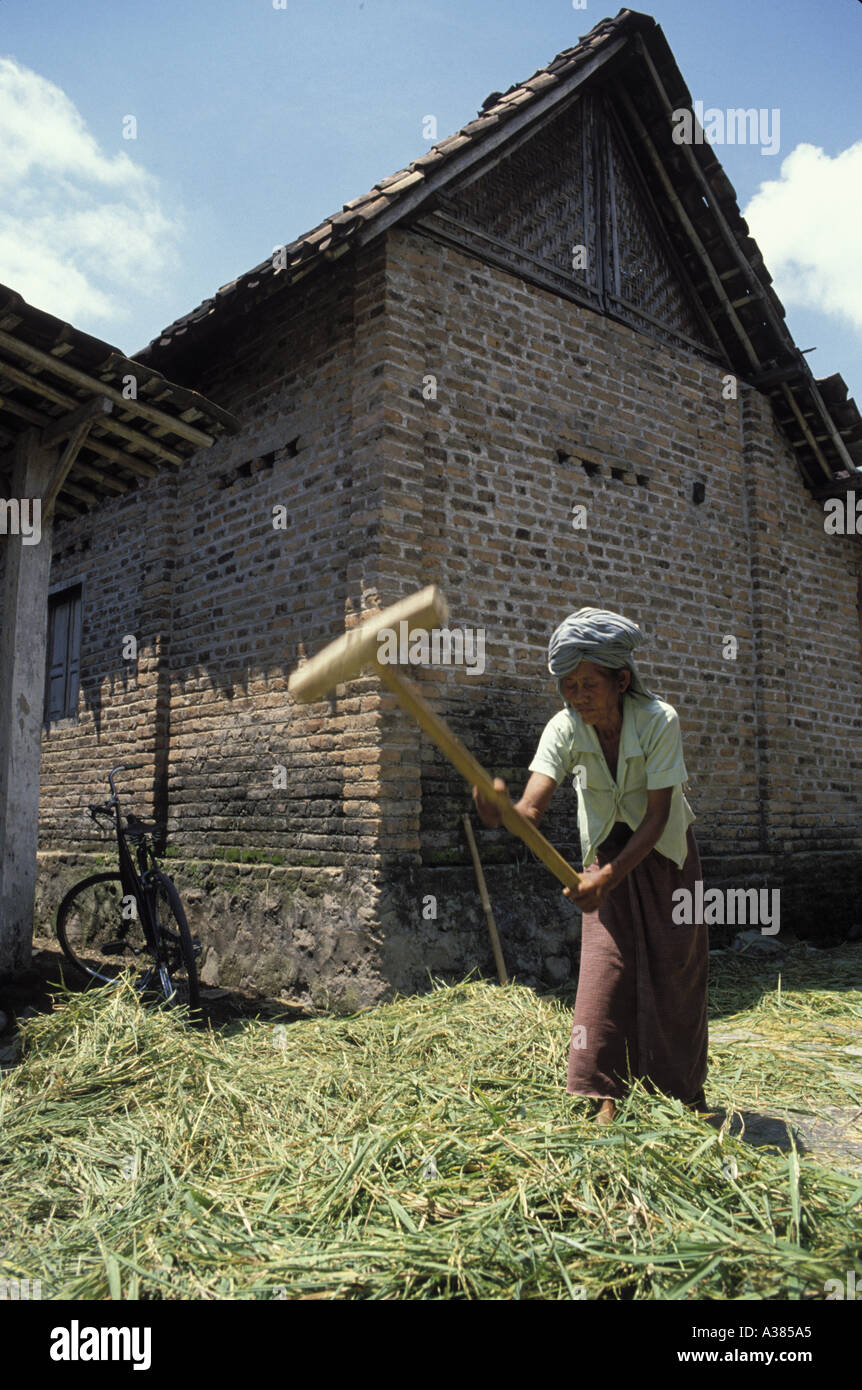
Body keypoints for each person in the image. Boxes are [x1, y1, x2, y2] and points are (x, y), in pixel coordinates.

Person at [473, 607, 708, 1125]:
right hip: (603, 851)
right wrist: (503, 816)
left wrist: (610, 876)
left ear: (621, 680)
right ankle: (605, 1094)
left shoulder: (657, 720)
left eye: (588, 684)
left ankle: (685, 1094)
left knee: (676, 968)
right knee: (605, 970)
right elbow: (532, 808)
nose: (577, 697)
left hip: (663, 853)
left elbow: (658, 815)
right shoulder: (564, 726)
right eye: (567, 686)